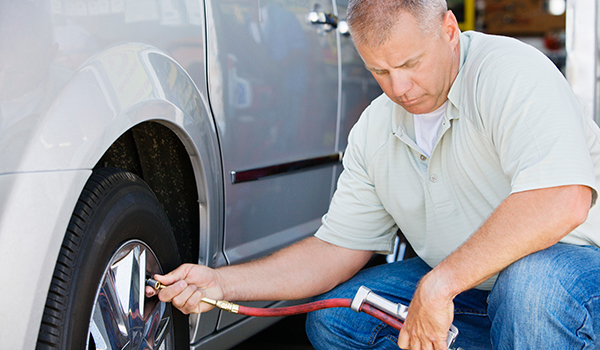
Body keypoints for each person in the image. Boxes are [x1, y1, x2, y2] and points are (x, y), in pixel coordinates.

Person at [146, 0, 600, 348]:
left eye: (409, 64)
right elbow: (334, 252)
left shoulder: (509, 73)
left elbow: (563, 198)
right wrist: (221, 282)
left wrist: (439, 286)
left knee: (531, 289)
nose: (399, 88)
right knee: (342, 317)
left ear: (448, 30)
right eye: (379, 70)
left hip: (575, 281)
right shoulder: (377, 127)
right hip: (481, 294)